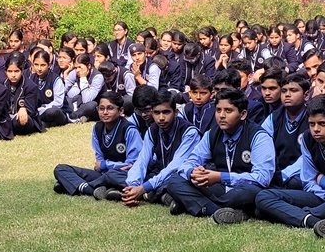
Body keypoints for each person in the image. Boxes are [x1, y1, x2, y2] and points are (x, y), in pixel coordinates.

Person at [255, 94, 325, 238]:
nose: (316, 129)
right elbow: (308, 181)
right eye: (312, 124)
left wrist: (323, 180)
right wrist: (324, 193)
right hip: (321, 196)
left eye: (322, 124)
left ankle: (296, 214)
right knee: (264, 196)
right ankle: (312, 220)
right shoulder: (308, 138)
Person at [165, 88, 275, 225]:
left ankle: (193, 204)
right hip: (219, 187)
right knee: (175, 181)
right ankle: (227, 212)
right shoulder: (212, 134)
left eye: (228, 111)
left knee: (252, 193)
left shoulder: (259, 136)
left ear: (243, 114)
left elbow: (262, 178)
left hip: (243, 188)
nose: (221, 116)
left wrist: (221, 177)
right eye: (218, 110)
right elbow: (191, 160)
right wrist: (193, 172)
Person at [119, 90, 201, 206]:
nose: (161, 118)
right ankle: (158, 195)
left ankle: (151, 194)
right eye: (157, 113)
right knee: (116, 173)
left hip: (178, 175)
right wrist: (133, 185)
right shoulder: (152, 130)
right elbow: (142, 160)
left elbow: (175, 166)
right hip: (159, 173)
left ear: (176, 112)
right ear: (152, 113)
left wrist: (143, 188)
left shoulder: (189, 132)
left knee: (176, 182)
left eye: (166, 112)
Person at [53, 92, 142, 196]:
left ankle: (75, 185)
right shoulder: (97, 128)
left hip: (122, 175)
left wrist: (106, 165)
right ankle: (90, 189)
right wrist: (102, 166)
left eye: (110, 108)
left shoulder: (129, 130)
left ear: (121, 110)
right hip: (103, 174)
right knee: (61, 169)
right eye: (101, 108)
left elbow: (133, 164)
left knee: (111, 175)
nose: (105, 112)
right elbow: (99, 160)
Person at [261, 73, 310, 189]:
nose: (287, 94)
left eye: (293, 90)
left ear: (306, 95)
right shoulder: (274, 118)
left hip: (301, 172)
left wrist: (284, 175)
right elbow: (262, 146)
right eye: (284, 91)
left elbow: (309, 156)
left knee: (295, 183)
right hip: (276, 171)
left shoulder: (313, 118)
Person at [4, 53, 43, 136]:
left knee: (23, 120)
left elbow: (31, 109)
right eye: (10, 71)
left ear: (22, 71)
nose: (13, 75)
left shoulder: (31, 86)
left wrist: (24, 108)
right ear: (5, 72)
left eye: (16, 71)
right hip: (5, 118)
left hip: (22, 117)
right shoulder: (0, 85)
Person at [30, 50, 69, 128]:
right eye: (36, 64)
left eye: (43, 65)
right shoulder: (31, 78)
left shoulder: (56, 79)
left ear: (49, 65)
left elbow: (58, 103)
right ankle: (45, 123)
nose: (39, 68)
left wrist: (44, 107)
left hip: (56, 111)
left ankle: (37, 122)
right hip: (38, 111)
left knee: (53, 111)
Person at [64, 54, 104, 122]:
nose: (77, 70)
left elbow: (87, 99)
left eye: (80, 67)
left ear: (89, 66)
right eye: (75, 68)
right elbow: (65, 89)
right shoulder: (74, 73)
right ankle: (78, 116)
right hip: (78, 102)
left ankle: (72, 116)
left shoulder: (98, 77)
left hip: (94, 105)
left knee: (92, 105)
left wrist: (83, 78)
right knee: (66, 99)